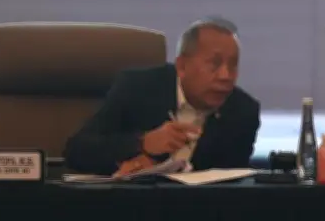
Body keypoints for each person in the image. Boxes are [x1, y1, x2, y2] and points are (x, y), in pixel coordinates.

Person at [64, 17, 261, 176]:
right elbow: (77, 151)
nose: (226, 76)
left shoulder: (243, 112)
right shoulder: (137, 87)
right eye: (214, 64)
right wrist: (142, 143)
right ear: (182, 66)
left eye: (233, 65)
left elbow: (233, 185)